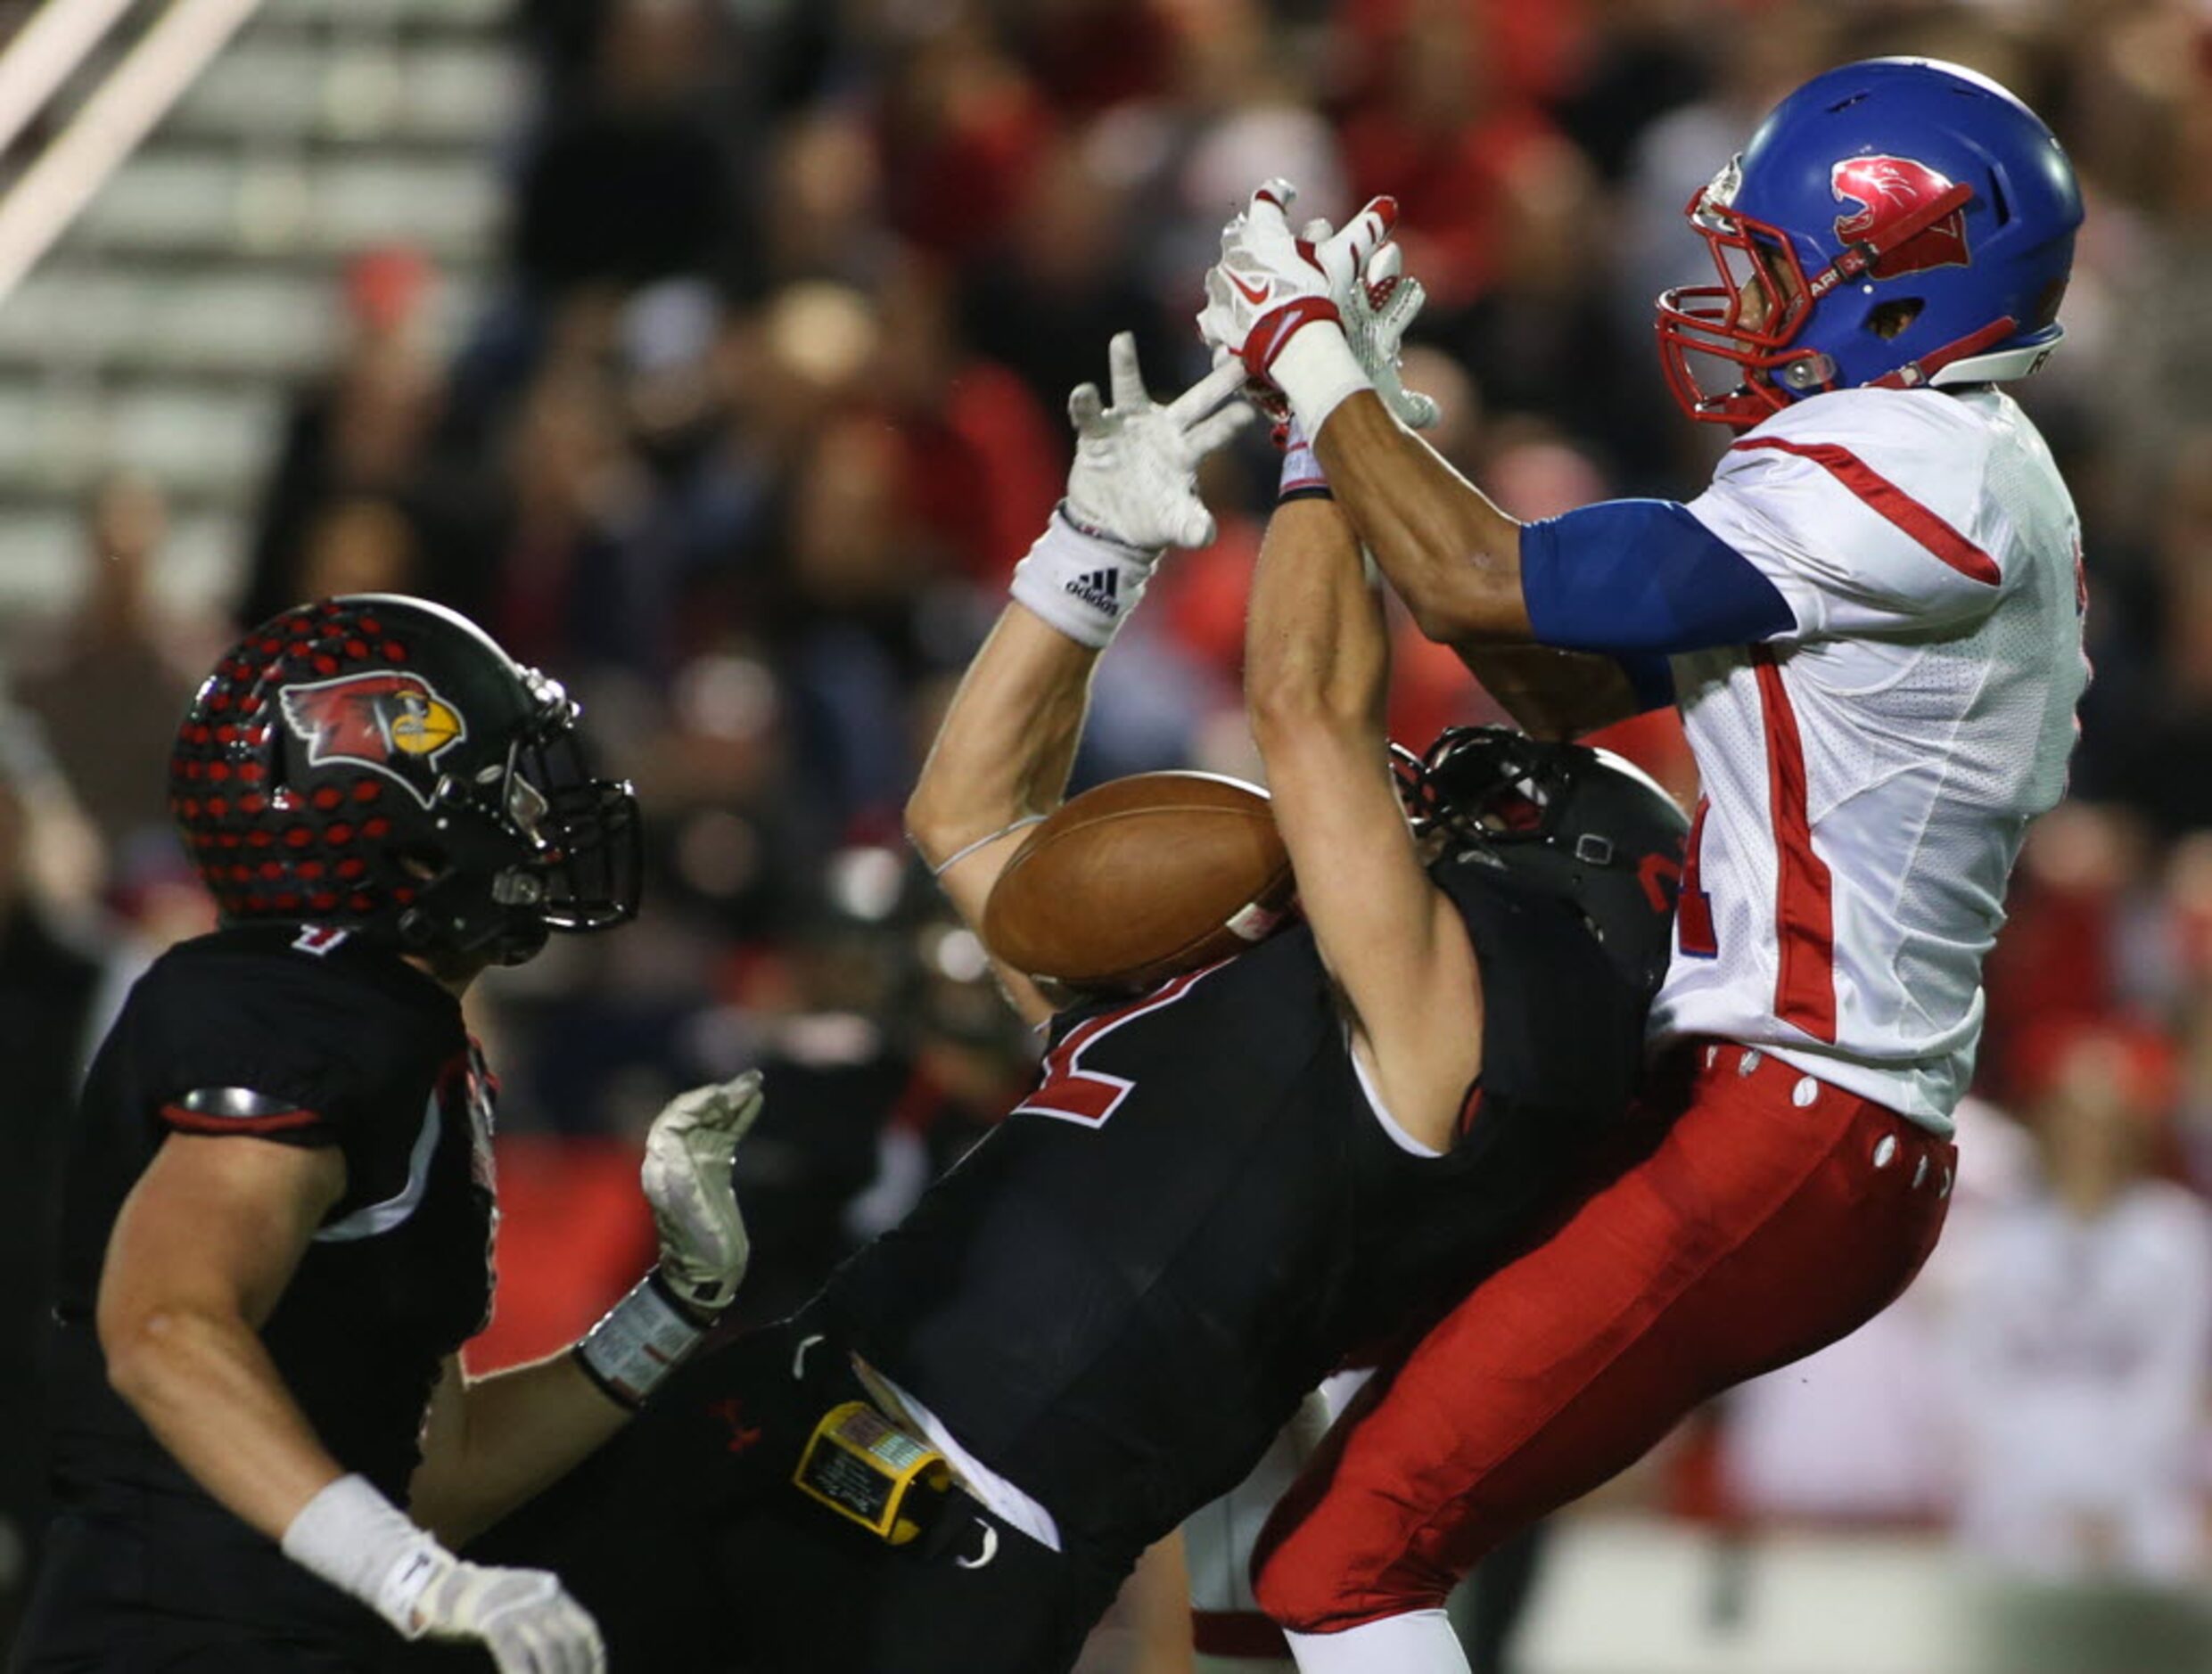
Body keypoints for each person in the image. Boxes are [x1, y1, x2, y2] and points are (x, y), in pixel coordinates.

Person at [466, 335, 1686, 1674]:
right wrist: (1088, 548)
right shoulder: (1281, 988)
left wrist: (1323, 417)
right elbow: (969, 822)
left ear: (1541, 882)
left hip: (940, 1552)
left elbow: (1304, 706)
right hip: (779, 1410)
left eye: (1459, 807)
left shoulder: (1444, 1047)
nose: (1416, 802)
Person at [1196, 55, 2092, 1670]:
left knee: (1346, 1561)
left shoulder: (1923, 464)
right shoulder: (1925, 462)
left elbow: (1478, 580)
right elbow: (1548, 666)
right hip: (1757, 1098)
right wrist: (1347, 418)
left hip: (1797, 1110)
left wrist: (1317, 364)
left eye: (1775, 265)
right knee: (1289, 1346)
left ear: (1900, 285)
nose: (1737, 298)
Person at [12, 596, 762, 1674]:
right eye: (503, 785)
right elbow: (166, 1329)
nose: (540, 823)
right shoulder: (290, 1013)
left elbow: (430, 1478)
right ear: (382, 808)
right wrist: (414, 1582)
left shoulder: (393, 1031)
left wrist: (671, 1309)